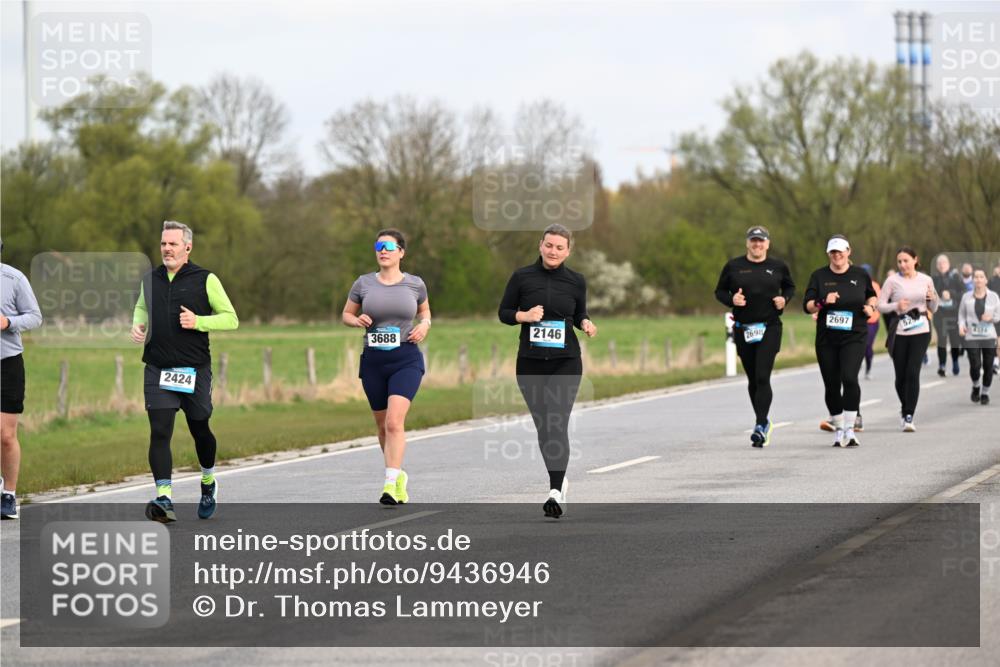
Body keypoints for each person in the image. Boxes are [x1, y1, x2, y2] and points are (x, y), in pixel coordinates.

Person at [132, 221, 239, 522]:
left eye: (173, 244)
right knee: (160, 431)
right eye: (163, 243)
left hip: (194, 369)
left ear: (187, 247)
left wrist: (199, 321)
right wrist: (138, 324)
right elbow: (141, 308)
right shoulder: (150, 279)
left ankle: (208, 480)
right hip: (158, 367)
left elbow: (231, 318)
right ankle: (164, 498)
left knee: (199, 427)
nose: (166, 249)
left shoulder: (206, 279)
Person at [499, 223, 596, 518]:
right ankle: (559, 479)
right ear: (540, 245)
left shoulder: (576, 281)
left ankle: (554, 490)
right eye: (549, 245)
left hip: (566, 361)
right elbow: (504, 313)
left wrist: (585, 322)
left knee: (556, 420)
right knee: (544, 426)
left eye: (559, 247)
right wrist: (524, 316)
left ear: (568, 251)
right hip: (530, 362)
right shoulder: (522, 277)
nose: (553, 251)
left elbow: (579, 312)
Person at [342, 229, 430, 506]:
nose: (383, 251)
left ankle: (389, 484)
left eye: (389, 247)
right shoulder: (364, 283)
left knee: (394, 422)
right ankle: (398, 474)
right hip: (374, 361)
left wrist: (425, 325)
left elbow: (425, 312)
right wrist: (356, 321)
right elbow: (346, 314)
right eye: (378, 246)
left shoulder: (415, 284)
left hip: (406, 358)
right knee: (382, 427)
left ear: (401, 252)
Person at [714, 226, 795, 447]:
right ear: (747, 243)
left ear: (767, 244)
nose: (757, 244)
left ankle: (760, 425)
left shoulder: (778, 266)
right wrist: (732, 300)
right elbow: (719, 291)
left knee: (762, 375)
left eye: (761, 241)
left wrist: (784, 300)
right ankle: (764, 420)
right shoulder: (733, 266)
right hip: (743, 328)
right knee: (752, 379)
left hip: (770, 327)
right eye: (753, 240)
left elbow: (790, 287)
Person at [804, 236, 877, 447]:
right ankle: (838, 428)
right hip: (827, 338)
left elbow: (871, 295)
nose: (837, 255)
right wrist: (823, 302)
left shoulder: (860, 274)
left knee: (850, 378)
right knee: (832, 383)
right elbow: (807, 306)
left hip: (855, 335)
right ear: (828, 254)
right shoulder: (819, 276)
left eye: (840, 251)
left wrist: (871, 307)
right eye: (833, 252)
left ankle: (850, 429)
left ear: (848, 251)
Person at [1, 247, 43, 520]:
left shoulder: (14, 279)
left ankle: (8, 495)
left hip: (7, 363)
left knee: (5, 435)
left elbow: (35, 317)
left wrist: (8, 322)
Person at [877, 246, 938, 432]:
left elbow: (934, 308)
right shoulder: (892, 281)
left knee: (912, 372)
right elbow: (880, 305)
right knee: (901, 377)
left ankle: (909, 415)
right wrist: (896, 305)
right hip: (900, 331)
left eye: (906, 261)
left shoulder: (926, 280)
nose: (902, 265)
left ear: (915, 260)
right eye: (899, 262)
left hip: (921, 329)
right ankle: (904, 408)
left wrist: (932, 299)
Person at [958, 268, 999, 405]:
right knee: (975, 365)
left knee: (988, 366)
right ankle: (976, 385)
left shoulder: (994, 297)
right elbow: (961, 315)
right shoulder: (966, 296)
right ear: (973, 280)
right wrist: (961, 326)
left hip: (989, 336)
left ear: (986, 280)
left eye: (981, 277)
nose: (979, 279)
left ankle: (985, 392)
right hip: (972, 336)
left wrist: (990, 318)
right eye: (976, 277)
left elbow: (998, 315)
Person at [932, 254, 964, 377]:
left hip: (954, 315)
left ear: (948, 264)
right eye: (939, 263)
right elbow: (929, 294)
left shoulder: (956, 277)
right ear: (937, 266)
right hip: (940, 315)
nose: (942, 265)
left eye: (944, 263)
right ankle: (942, 365)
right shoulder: (934, 279)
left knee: (954, 341)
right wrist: (938, 295)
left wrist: (951, 294)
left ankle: (955, 361)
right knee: (942, 340)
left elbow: (964, 293)